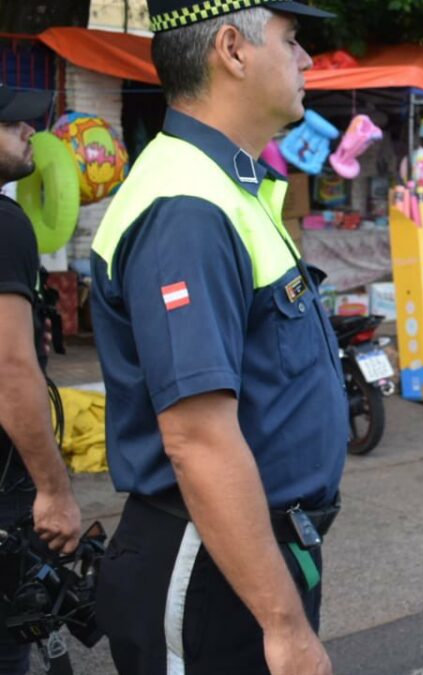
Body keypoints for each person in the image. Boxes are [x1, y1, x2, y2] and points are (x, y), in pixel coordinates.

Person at [88, 2, 346, 674]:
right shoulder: (188, 207)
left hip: (247, 551)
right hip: (207, 562)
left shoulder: (223, 186)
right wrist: (285, 628)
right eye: (292, 41)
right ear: (232, 49)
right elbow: (198, 438)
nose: (307, 59)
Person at [0, 82, 83, 675]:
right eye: (12, 124)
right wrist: (53, 489)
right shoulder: (6, 227)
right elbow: (11, 370)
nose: (31, 131)